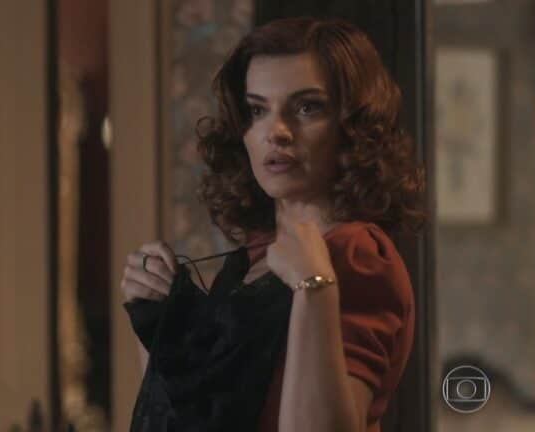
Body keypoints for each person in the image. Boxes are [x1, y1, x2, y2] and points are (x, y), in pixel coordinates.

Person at [119, 17, 426, 432]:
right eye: (257, 110)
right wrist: (159, 314)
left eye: (307, 107)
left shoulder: (358, 256)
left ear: (352, 125)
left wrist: (314, 286)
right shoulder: (256, 254)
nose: (276, 132)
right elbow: (185, 419)